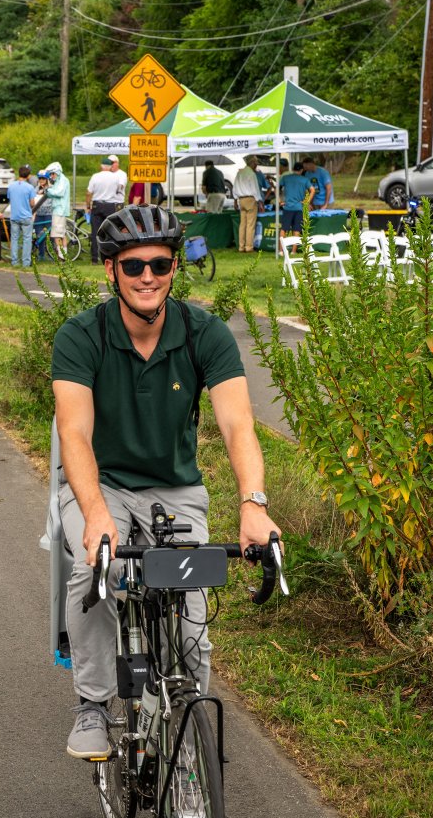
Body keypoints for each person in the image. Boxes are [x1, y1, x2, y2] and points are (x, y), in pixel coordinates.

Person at [52, 206, 281, 758]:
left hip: (174, 488)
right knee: (93, 572)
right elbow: (75, 435)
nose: (147, 276)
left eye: (159, 263)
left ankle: (187, 715)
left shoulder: (206, 333)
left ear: (175, 267)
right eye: (133, 266)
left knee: (190, 605)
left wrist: (253, 504)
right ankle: (94, 703)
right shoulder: (82, 335)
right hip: (99, 481)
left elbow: (237, 423)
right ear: (111, 272)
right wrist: (97, 516)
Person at [86, 155, 126, 262]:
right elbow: (118, 190)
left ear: (101, 166)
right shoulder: (115, 177)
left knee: (95, 231)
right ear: (110, 167)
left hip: (97, 204)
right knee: (110, 231)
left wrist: (87, 205)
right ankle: (109, 256)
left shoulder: (95, 176)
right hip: (110, 205)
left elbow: (89, 192)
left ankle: (94, 257)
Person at [5, 165, 37, 268]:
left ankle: (14, 261)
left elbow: (10, 198)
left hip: (14, 216)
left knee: (14, 239)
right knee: (27, 239)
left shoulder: (11, 186)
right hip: (26, 216)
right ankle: (26, 262)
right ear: (28, 176)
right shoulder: (29, 187)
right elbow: (32, 203)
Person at [43, 162, 74, 259]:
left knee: (57, 235)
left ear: (57, 172)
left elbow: (59, 193)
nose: (52, 176)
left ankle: (61, 256)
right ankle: (63, 255)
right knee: (62, 234)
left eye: (53, 174)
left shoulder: (63, 180)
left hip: (59, 211)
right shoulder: (59, 180)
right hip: (59, 210)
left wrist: (48, 190)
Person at [232, 156, 263, 253]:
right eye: (256, 163)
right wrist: (259, 200)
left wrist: (235, 200)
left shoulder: (239, 172)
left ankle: (241, 247)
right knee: (250, 225)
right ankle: (249, 247)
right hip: (250, 199)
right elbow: (255, 189)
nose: (256, 165)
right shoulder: (251, 174)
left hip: (241, 199)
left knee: (243, 224)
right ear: (253, 163)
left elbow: (235, 187)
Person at [278, 161, 312, 247]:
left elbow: (277, 188)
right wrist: (307, 202)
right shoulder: (305, 180)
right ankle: (293, 251)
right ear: (301, 170)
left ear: (293, 169)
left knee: (283, 229)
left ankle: (281, 251)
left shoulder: (285, 178)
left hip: (287, 207)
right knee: (297, 230)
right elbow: (313, 190)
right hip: (299, 207)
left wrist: (279, 200)